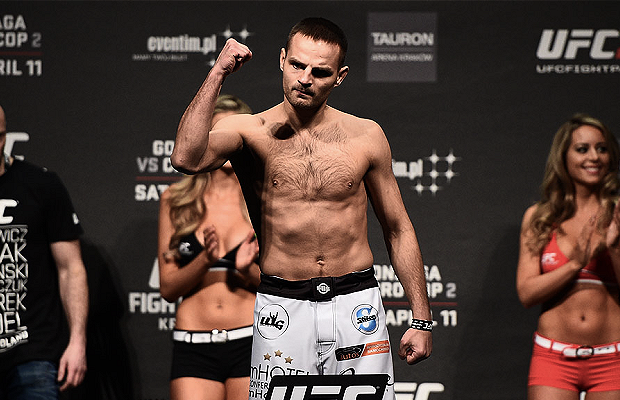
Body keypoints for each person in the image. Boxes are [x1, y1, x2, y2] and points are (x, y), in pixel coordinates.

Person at [171, 17, 432, 400]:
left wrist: (421, 318)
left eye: (320, 72)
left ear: (339, 77)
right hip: (282, 308)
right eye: (297, 65)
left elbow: (398, 228)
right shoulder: (249, 130)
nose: (305, 78)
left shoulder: (366, 135)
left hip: (356, 305)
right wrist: (218, 73)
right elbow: (186, 158)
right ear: (282, 59)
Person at [158, 95, 260, 400]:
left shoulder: (263, 199)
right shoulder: (176, 201)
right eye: (218, 133)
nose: (226, 142)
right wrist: (204, 260)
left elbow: (284, 288)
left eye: (234, 134)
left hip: (251, 339)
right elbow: (168, 289)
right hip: (193, 344)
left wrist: (246, 271)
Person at [517, 113, 620, 399]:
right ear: (563, 157)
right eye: (582, 149)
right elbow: (526, 293)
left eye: (602, 149)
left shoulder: (618, 214)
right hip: (553, 358)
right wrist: (575, 262)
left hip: (613, 359)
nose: (594, 157)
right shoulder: (539, 217)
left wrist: (613, 249)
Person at [0, 105, 88, 399]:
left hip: (33, 352)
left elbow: (71, 268)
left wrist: (77, 341)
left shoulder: (40, 185)